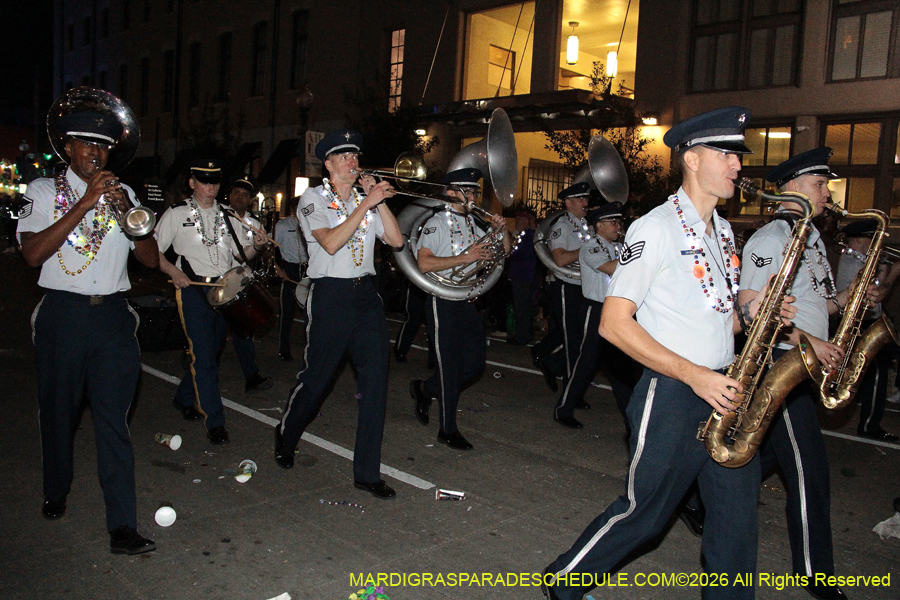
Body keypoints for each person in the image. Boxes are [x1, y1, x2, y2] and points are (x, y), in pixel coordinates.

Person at [543, 106, 792, 600]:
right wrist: (695, 376)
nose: (737, 165)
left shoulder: (722, 232)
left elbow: (715, 310)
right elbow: (614, 326)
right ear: (692, 158)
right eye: (726, 153)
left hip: (726, 389)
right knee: (647, 514)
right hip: (675, 392)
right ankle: (563, 580)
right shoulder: (654, 229)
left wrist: (756, 310)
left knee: (737, 525)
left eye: (737, 155)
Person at [19, 108, 158, 554]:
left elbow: (151, 261)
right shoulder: (41, 191)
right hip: (63, 315)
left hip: (113, 317)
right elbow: (32, 254)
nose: (95, 153)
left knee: (113, 421)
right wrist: (85, 203)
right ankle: (56, 488)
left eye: (102, 146)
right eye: (87, 144)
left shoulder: (125, 191)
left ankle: (122, 525)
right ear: (68, 147)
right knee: (59, 415)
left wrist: (128, 213)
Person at [738, 147, 864, 600]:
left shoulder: (811, 239)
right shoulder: (771, 238)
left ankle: (699, 495)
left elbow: (822, 306)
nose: (826, 192)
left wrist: (852, 295)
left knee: (766, 454)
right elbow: (753, 311)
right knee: (810, 470)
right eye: (818, 183)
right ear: (792, 187)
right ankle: (815, 573)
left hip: (806, 362)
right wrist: (813, 345)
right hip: (782, 362)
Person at [275, 130, 403, 499]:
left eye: (355, 155)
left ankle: (367, 472)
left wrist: (378, 201)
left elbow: (395, 241)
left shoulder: (366, 199)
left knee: (376, 381)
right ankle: (286, 433)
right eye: (344, 156)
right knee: (318, 380)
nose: (352, 161)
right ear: (328, 165)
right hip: (330, 294)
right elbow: (330, 242)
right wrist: (366, 204)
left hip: (366, 296)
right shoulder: (312, 199)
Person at [156, 160, 268, 445]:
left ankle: (183, 397)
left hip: (224, 291)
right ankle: (215, 422)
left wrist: (257, 244)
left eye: (215, 182)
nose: (210, 187)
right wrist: (174, 271)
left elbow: (241, 256)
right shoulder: (176, 213)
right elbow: (150, 251)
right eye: (204, 181)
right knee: (204, 356)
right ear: (192, 183)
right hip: (193, 290)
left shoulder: (228, 215)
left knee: (211, 351)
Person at [409, 168, 512, 451]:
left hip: (465, 296)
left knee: (475, 365)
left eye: (475, 191)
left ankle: (425, 389)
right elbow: (425, 264)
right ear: (451, 192)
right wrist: (465, 257)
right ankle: (447, 429)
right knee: (450, 366)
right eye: (468, 191)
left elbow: (504, 251)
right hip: (441, 298)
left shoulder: (475, 223)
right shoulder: (436, 223)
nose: (474, 196)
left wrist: (501, 231)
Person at [552, 202, 636, 431]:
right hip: (595, 309)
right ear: (599, 225)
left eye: (619, 222)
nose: (618, 226)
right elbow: (611, 268)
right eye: (613, 223)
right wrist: (639, 259)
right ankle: (563, 408)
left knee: (619, 366)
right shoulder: (590, 247)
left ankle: (632, 417)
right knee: (585, 363)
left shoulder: (619, 247)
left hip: (615, 310)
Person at [835, 219, 899, 441]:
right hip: (859, 325)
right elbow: (877, 294)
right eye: (872, 239)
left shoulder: (859, 260)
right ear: (861, 239)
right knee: (876, 373)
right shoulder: (853, 262)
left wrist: (884, 267)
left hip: (865, 322)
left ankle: (869, 421)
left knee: (872, 373)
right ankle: (870, 424)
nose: (875, 245)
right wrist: (894, 271)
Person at [531, 183, 593, 394]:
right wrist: (587, 248)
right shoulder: (561, 227)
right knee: (573, 342)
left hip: (586, 286)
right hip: (566, 286)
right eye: (581, 199)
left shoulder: (588, 226)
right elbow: (559, 259)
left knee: (585, 340)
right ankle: (571, 393)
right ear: (568, 203)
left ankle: (551, 365)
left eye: (586, 199)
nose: (586, 203)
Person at [224, 174, 274, 393]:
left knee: (243, 329)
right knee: (212, 335)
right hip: (218, 279)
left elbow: (260, 253)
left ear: (251, 200)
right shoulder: (219, 215)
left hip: (241, 280)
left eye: (245, 195)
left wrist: (266, 253)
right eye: (236, 192)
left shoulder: (254, 223)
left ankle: (252, 376)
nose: (239, 197)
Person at [273, 194, 309, 362]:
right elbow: (269, 248)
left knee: (310, 313)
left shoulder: (310, 224)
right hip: (291, 268)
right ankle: (283, 349)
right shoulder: (282, 225)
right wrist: (277, 268)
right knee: (287, 312)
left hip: (308, 269)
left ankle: (309, 348)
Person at [506, 210, 537, 345]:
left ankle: (522, 336)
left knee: (522, 307)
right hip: (523, 275)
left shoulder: (527, 236)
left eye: (520, 220)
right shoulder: (524, 235)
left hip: (523, 276)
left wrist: (509, 252)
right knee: (523, 306)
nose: (517, 222)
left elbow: (519, 253)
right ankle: (525, 334)